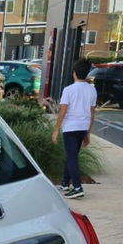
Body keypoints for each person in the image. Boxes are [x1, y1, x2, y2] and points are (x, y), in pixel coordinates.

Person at [51, 58, 97, 200]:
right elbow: (92, 113)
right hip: (83, 127)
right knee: (72, 156)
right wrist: (88, 133)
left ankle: (77, 187)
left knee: (72, 158)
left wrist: (56, 129)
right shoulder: (92, 90)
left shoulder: (68, 90)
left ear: (74, 73)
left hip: (70, 128)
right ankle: (65, 183)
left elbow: (63, 111)